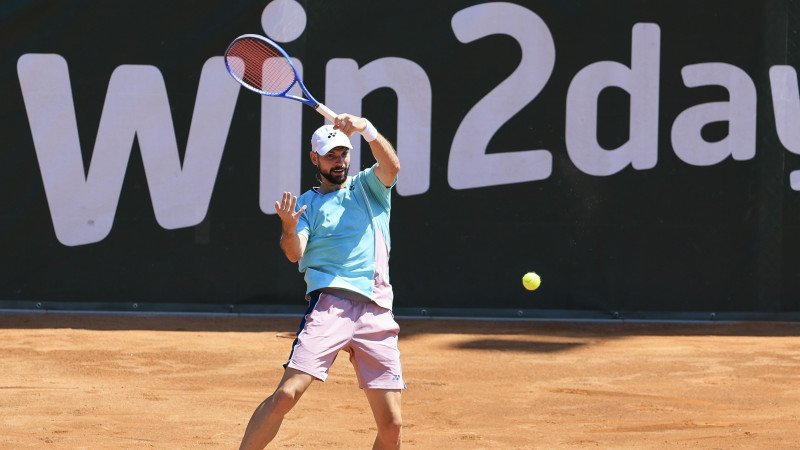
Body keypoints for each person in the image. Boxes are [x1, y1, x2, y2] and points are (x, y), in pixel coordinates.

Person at [239, 113, 404, 450]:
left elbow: (392, 167)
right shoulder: (306, 205)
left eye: (343, 153)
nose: (339, 161)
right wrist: (288, 226)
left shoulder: (368, 187)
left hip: (376, 311)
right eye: (331, 155)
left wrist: (366, 128)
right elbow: (294, 252)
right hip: (330, 305)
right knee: (287, 394)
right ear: (315, 158)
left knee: (392, 426)